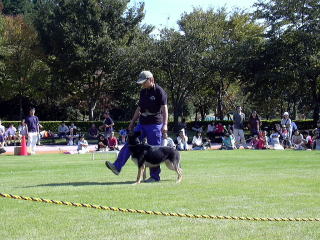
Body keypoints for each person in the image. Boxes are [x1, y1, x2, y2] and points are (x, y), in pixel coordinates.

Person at [105, 70, 168, 182]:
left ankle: (154, 177)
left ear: (151, 79)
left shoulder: (160, 91)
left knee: (154, 150)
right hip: (142, 123)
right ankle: (117, 166)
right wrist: (132, 122)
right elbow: (139, 108)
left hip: (155, 124)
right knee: (130, 143)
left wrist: (165, 124)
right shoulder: (143, 92)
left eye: (144, 82)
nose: (142, 84)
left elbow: (165, 109)